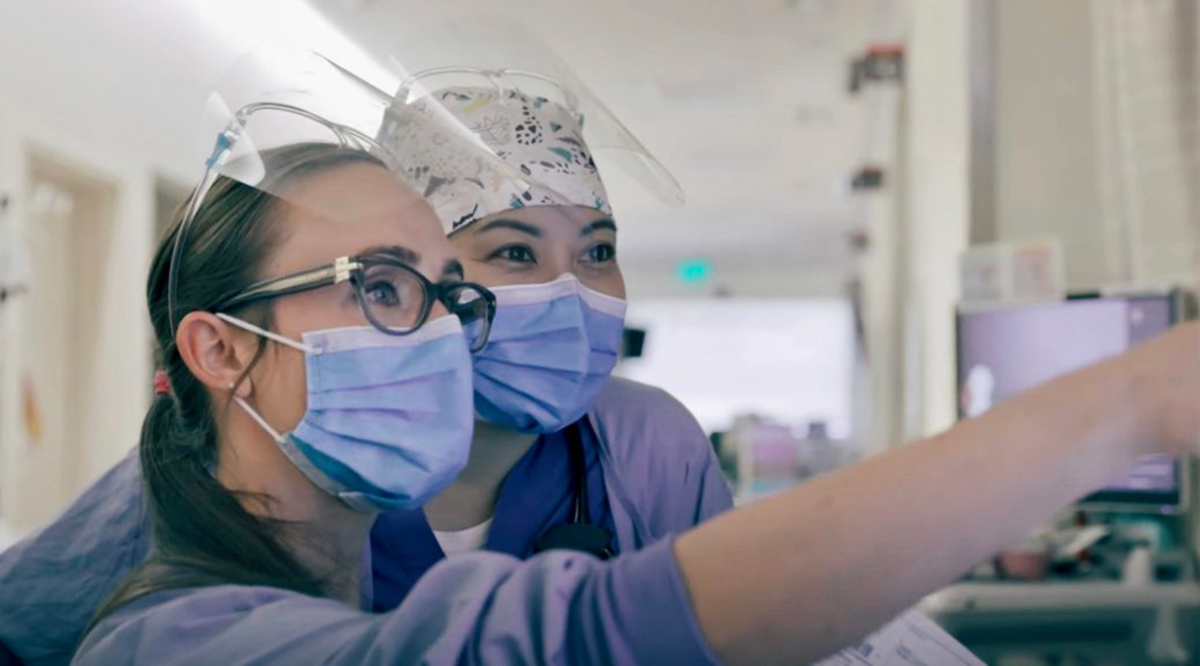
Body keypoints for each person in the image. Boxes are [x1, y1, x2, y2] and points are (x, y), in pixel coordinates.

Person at [65, 127, 1200, 664]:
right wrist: (1126, 406)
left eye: (444, 294)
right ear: (217, 353)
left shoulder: (632, 443)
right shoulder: (169, 635)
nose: (446, 330)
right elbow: (583, 640)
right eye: (382, 287)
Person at [0, 74, 729, 666]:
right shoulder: (257, 477)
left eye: (598, 252)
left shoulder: (643, 445)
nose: (568, 294)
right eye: (513, 253)